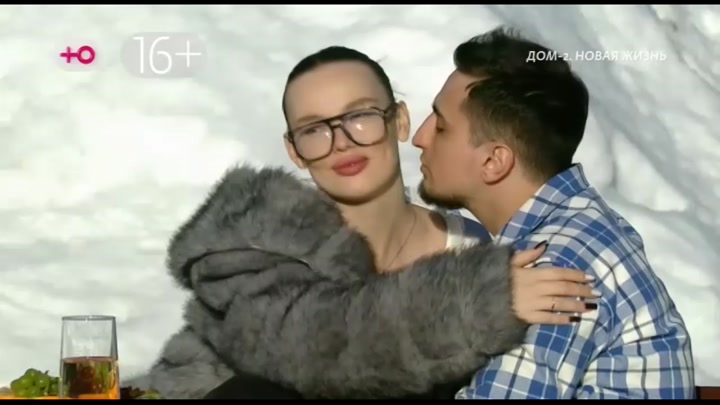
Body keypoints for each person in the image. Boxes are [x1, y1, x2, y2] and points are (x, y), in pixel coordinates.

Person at [125, 46, 598, 400]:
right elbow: (319, 347)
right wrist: (478, 300)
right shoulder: (253, 248)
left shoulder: (470, 248)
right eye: (314, 129)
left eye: (360, 116)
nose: (342, 142)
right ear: (294, 150)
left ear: (399, 121)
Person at [411, 26, 695, 399]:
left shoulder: (552, 270)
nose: (419, 137)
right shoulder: (583, 229)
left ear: (494, 161)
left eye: (441, 127)